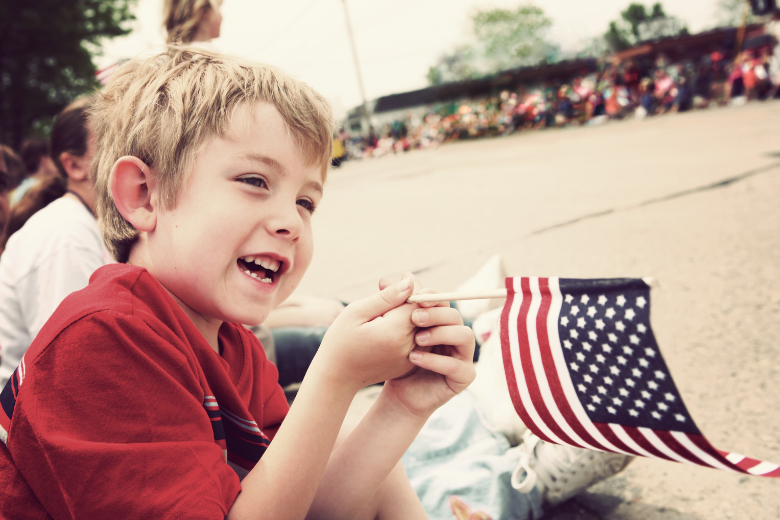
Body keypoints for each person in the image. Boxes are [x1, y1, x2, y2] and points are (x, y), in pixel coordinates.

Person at [0, 46, 477, 519]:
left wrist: (401, 407)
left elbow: (307, 505)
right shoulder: (101, 339)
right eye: (255, 180)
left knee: (377, 468)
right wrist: (335, 375)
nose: (291, 221)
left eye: (306, 203)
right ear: (144, 195)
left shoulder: (238, 349)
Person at [0, 96, 105, 387]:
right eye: (112, 142)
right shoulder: (68, 235)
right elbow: (72, 368)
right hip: (25, 425)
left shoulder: (80, 224)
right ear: (73, 165)